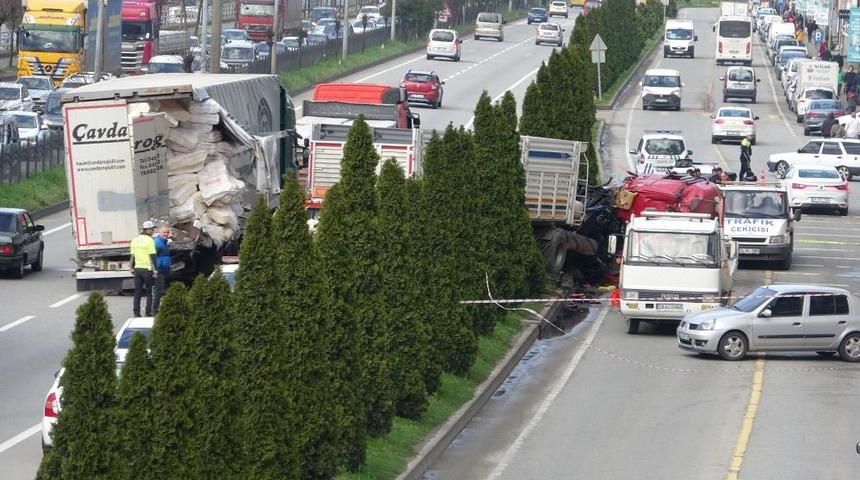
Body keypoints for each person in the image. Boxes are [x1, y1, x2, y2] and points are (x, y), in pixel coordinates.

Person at [130, 221, 158, 317]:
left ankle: (136, 313)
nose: (153, 231)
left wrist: (131, 268)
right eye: (152, 229)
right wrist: (155, 270)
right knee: (150, 292)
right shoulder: (150, 240)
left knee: (137, 292)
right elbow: (152, 256)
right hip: (147, 269)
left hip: (137, 269)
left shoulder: (134, 240)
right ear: (147, 230)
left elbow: (132, 256)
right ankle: (148, 312)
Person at [152, 224, 172, 315]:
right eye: (164, 232)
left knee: (162, 289)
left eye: (167, 232)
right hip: (159, 269)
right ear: (160, 233)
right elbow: (153, 257)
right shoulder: (158, 243)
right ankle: (154, 310)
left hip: (164, 269)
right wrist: (154, 269)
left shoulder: (164, 242)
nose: (166, 234)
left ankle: (160, 308)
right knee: (159, 290)